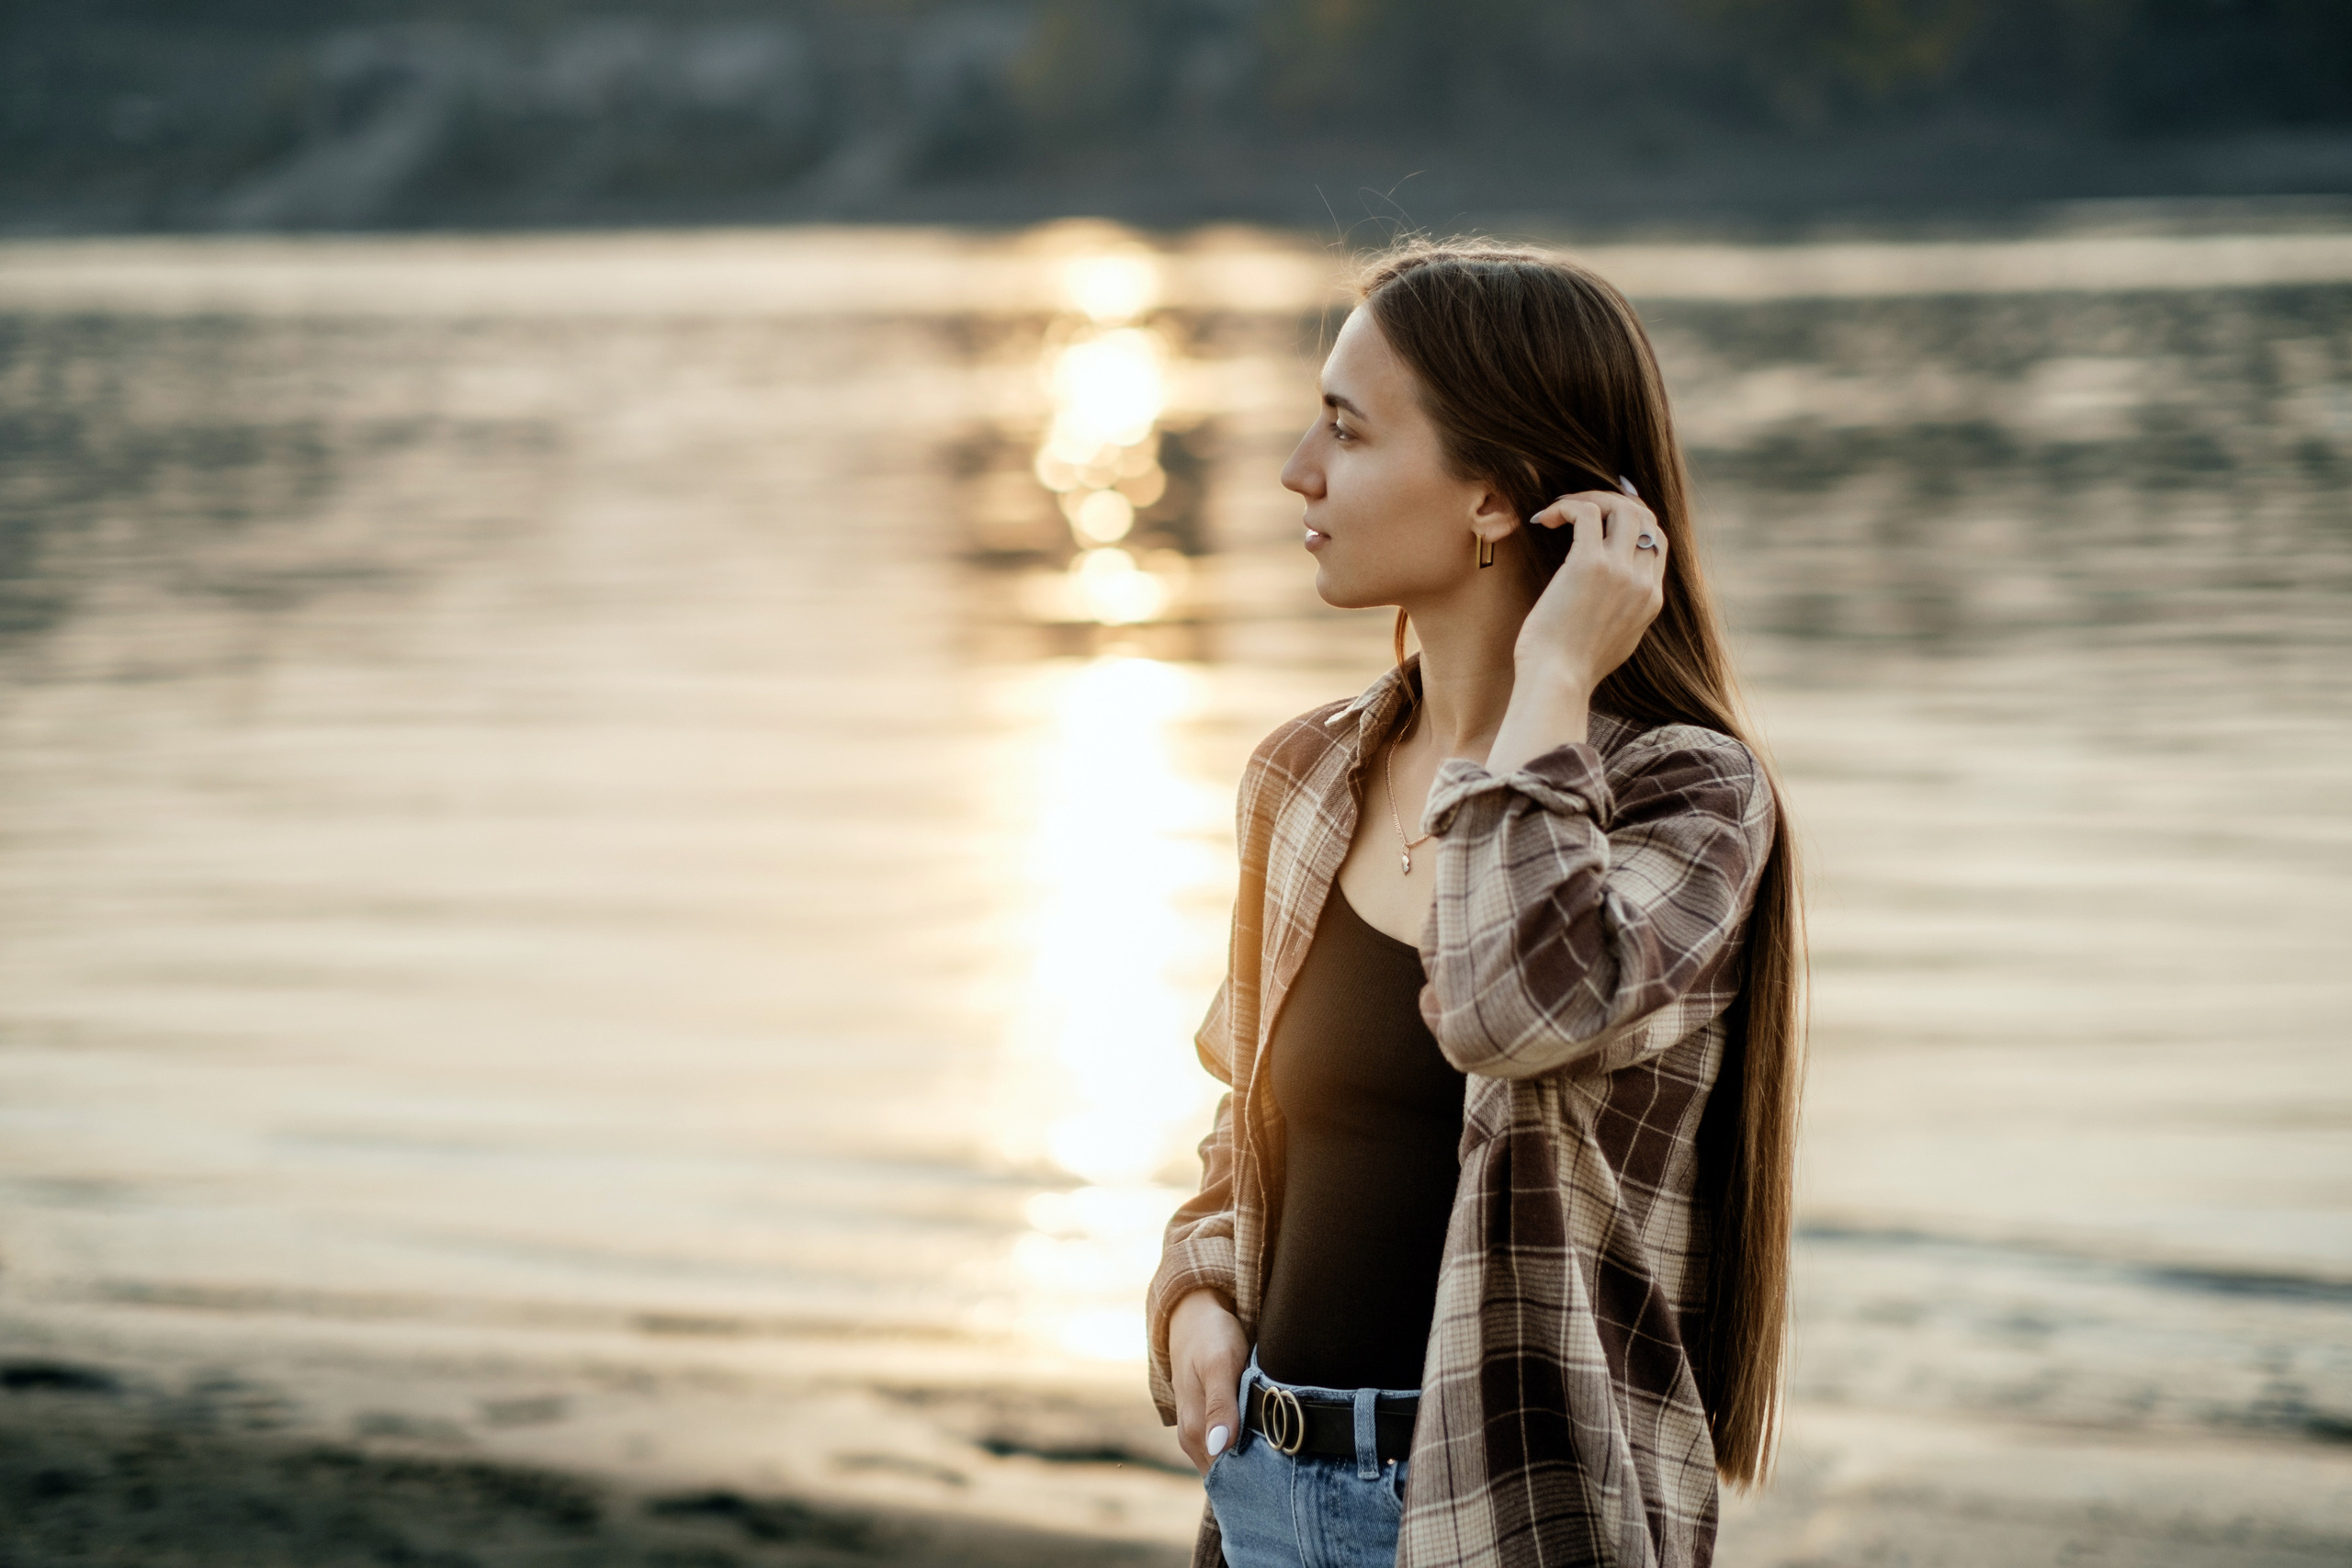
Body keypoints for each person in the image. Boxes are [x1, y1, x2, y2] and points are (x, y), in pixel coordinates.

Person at [1145, 241, 1804, 1568]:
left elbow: (1513, 1006)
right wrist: (1198, 1293)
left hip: (1518, 1519)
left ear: (1497, 498)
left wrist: (1553, 676)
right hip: (1263, 1506)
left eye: (1346, 427)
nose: (1296, 471)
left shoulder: (1690, 799)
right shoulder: (1304, 779)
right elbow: (1250, 1123)